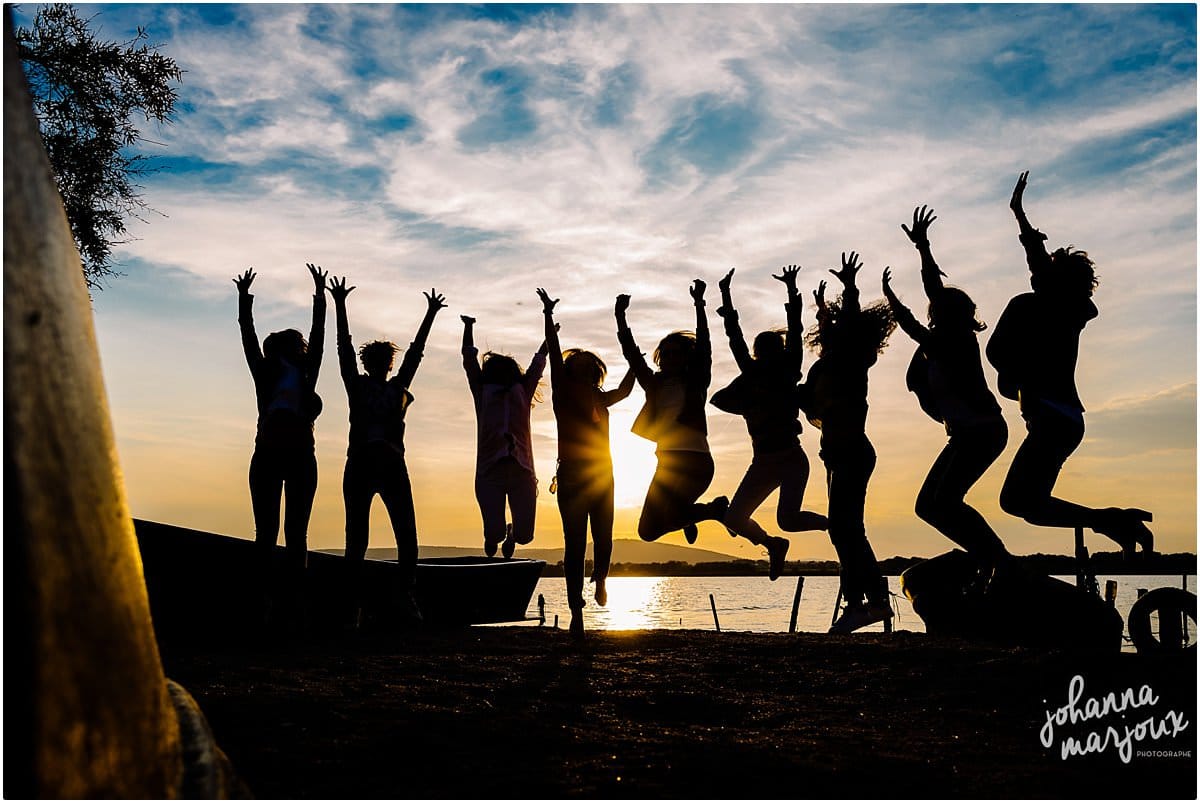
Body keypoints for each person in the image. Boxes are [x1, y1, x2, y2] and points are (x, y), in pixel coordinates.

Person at [987, 171, 1153, 556]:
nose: (1036, 272)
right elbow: (1039, 269)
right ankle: (1111, 520)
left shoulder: (1055, 308)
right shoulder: (1056, 308)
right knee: (1022, 502)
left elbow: (1039, 270)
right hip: (1061, 419)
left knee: (1017, 501)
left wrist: (1021, 219)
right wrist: (1020, 218)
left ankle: (1113, 520)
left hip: (1054, 417)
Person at [882, 206, 1010, 575]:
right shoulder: (935, 347)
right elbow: (920, 329)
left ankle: (995, 560)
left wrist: (922, 249)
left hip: (983, 432)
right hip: (965, 435)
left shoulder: (957, 339)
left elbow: (925, 305)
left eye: (938, 309)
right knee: (928, 506)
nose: (933, 312)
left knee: (947, 501)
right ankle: (987, 556)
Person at [331, 276, 447, 624]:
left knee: (405, 535)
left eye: (385, 360)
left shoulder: (398, 387)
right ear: (372, 364)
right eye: (378, 360)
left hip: (391, 465)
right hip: (364, 465)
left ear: (387, 364)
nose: (383, 364)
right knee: (358, 538)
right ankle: (353, 606)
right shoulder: (357, 384)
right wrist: (339, 304)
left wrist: (430, 314)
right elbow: (344, 351)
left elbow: (415, 355)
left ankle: (403, 598)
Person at [711, 266, 827, 581]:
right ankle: (772, 545)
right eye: (761, 350)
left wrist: (792, 290)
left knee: (788, 519)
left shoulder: (790, 368)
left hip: (790, 457)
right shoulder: (750, 373)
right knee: (734, 518)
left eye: (771, 348)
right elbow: (734, 338)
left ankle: (833, 524)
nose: (766, 353)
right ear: (758, 354)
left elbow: (795, 325)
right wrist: (725, 297)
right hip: (762, 460)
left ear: (778, 350)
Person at [801, 251, 896, 634]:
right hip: (834, 456)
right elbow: (805, 400)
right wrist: (821, 308)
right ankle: (858, 604)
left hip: (853, 453)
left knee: (847, 529)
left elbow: (851, 325)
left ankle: (872, 603)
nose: (828, 333)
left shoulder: (856, 360)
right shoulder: (821, 368)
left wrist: (851, 288)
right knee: (843, 529)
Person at [536, 288, 636, 637]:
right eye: (575, 362)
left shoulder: (601, 398)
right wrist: (549, 318)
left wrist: (637, 364)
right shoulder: (563, 392)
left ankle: (602, 579)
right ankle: (576, 613)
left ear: (595, 372)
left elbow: (624, 391)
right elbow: (552, 353)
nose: (581, 364)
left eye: (587, 363)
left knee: (604, 539)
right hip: (573, 475)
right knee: (575, 543)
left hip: (603, 474)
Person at [234, 263, 327, 625]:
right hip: (270, 453)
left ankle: (292, 604)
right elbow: (248, 339)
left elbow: (318, 337)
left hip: (301, 454)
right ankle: (263, 603)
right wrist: (244, 302)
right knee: (267, 532)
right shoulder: (265, 373)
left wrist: (320, 297)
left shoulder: (306, 371)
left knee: (295, 533)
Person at [615, 281, 728, 544]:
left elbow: (705, 347)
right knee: (647, 532)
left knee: (673, 513)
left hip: (695, 462)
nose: (669, 358)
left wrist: (699, 303)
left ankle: (700, 513)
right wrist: (620, 317)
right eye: (665, 354)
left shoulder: (697, 380)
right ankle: (704, 513)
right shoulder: (654, 384)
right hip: (666, 461)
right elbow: (631, 355)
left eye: (676, 354)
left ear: (686, 357)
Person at [461, 315, 549, 559]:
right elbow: (469, 361)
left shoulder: (523, 390)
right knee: (493, 534)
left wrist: (550, 334)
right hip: (490, 473)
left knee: (525, 537)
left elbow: (539, 364)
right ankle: (494, 535)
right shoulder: (482, 391)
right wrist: (468, 327)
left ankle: (512, 535)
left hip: (522, 473)